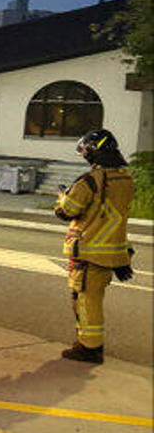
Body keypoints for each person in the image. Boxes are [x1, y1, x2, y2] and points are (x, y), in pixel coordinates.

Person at [54, 129, 134, 364]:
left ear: (94, 151)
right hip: (112, 252)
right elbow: (114, 216)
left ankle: (89, 348)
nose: (85, 156)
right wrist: (123, 257)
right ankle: (90, 344)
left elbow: (66, 211)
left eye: (86, 151)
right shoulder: (125, 179)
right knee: (93, 298)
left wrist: (62, 196)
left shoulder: (91, 179)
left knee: (86, 300)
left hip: (89, 252)